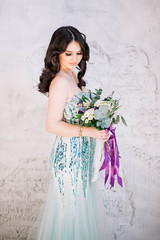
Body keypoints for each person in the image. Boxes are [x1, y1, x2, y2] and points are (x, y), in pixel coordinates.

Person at [34, 26, 112, 240]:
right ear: (56, 52)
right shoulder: (59, 81)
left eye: (79, 53)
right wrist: (89, 131)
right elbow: (52, 125)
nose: (75, 58)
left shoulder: (73, 76)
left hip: (82, 158)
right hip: (69, 160)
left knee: (82, 215)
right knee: (71, 216)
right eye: (68, 53)